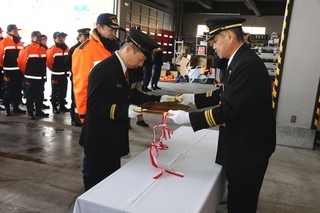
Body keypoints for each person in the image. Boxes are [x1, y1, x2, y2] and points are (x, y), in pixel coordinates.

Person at [167, 17, 276, 213]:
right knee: (237, 196)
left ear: (230, 36)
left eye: (215, 41)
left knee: (241, 204)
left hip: (249, 150)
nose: (213, 47)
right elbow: (225, 93)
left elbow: (229, 109)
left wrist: (187, 119)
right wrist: (192, 99)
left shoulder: (246, 65)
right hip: (244, 145)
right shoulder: (238, 61)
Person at [79, 27, 176, 191]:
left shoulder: (126, 69)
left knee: (111, 183)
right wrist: (125, 110)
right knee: (96, 186)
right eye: (141, 58)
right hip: (99, 140)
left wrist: (160, 99)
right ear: (129, 49)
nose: (142, 63)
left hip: (114, 138)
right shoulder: (103, 70)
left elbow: (133, 95)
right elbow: (94, 104)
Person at [72, 13, 122, 124]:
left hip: (113, 109)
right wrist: (84, 114)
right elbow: (81, 84)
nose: (114, 34)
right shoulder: (84, 50)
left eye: (116, 31)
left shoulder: (114, 47)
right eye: (111, 30)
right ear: (99, 27)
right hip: (95, 111)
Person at [17, 31, 49, 120]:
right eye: (36, 37)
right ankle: (30, 111)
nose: (38, 39)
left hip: (41, 77)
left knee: (40, 94)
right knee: (30, 95)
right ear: (32, 38)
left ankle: (38, 110)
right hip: (30, 78)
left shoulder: (44, 49)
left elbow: (48, 62)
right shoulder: (27, 48)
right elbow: (21, 63)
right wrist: (27, 73)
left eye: (40, 37)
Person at [64, 28, 90, 126]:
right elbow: (66, 63)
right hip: (76, 78)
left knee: (84, 98)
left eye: (88, 36)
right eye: (85, 36)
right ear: (79, 37)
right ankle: (75, 119)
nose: (87, 38)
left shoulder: (88, 48)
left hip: (86, 78)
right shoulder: (75, 48)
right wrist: (75, 71)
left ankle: (82, 117)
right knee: (75, 99)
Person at [0, 24, 26, 116]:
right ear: (9, 32)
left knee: (18, 89)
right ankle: (7, 107)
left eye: (16, 30)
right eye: (14, 30)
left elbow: (23, 57)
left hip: (19, 71)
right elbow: (0, 57)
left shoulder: (20, 43)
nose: (16, 32)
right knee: (8, 89)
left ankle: (16, 107)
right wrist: (4, 67)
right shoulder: (4, 42)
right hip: (8, 70)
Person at [47, 31, 70, 114]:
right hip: (56, 75)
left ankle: (62, 106)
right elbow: (49, 62)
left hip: (64, 74)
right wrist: (54, 70)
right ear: (54, 39)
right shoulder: (52, 49)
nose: (61, 39)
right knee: (54, 92)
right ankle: (54, 107)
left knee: (63, 91)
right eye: (59, 37)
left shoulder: (67, 48)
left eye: (63, 37)